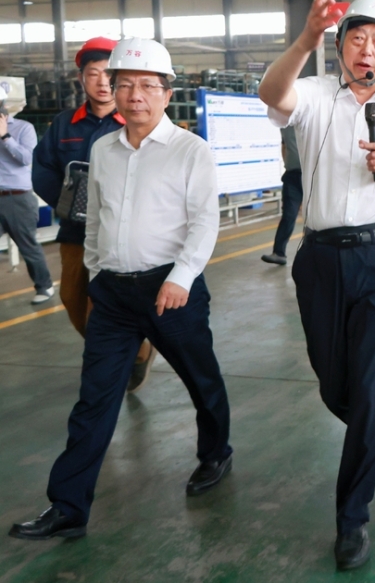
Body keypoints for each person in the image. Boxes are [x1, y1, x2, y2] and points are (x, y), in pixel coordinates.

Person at [10, 37, 233, 541]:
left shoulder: (190, 150)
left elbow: (204, 222)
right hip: (112, 293)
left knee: (201, 379)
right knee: (94, 398)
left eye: (147, 86)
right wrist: (95, 272)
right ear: (112, 89)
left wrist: (181, 278)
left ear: (166, 93)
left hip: (171, 291)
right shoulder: (102, 149)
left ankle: (216, 452)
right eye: (125, 84)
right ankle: (68, 506)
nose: (135, 95)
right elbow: (94, 218)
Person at [257, 0, 375, 571]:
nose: (368, 50)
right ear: (340, 46)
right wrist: (305, 38)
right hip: (320, 259)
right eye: (357, 38)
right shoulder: (315, 95)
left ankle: (352, 519)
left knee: (368, 386)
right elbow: (271, 93)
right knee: (335, 387)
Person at [33, 38, 159, 390]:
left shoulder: (136, 119)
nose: (102, 82)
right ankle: (126, 350)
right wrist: (70, 203)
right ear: (81, 79)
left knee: (117, 301)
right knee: (73, 297)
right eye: (93, 74)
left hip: (124, 232)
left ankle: (131, 356)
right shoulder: (64, 124)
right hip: (76, 230)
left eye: (108, 74)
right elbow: (42, 168)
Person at [0, 87, 55, 305]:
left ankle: (44, 286)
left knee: (28, 247)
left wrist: (5, 136)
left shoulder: (24, 128)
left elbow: (26, 159)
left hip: (17, 198)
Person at [261, 126, 303, 265]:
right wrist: (288, 165)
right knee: (288, 215)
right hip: (292, 175)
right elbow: (284, 146)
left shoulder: (311, 120)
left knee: (313, 217)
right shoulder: (285, 126)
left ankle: (314, 253)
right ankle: (279, 253)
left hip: (311, 174)